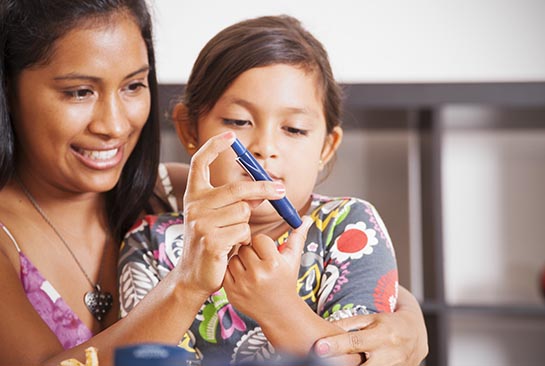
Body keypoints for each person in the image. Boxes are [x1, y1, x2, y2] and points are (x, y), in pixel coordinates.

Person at [0, 1, 426, 365]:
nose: (114, 125)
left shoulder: (170, 188)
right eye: (78, 92)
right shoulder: (154, 236)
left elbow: (350, 273)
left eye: (133, 85)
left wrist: (408, 317)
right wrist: (189, 282)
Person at [118, 15, 424, 365]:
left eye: (293, 129)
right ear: (190, 130)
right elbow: (134, 358)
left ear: (326, 147)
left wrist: (277, 306)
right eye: (238, 122)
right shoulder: (150, 242)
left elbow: (363, 359)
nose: (264, 147)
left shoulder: (350, 228)